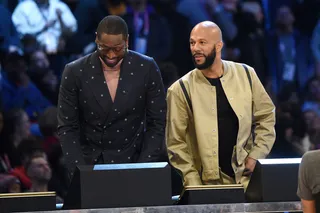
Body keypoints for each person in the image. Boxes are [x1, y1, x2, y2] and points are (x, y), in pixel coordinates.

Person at [166, 21, 276, 189]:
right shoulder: (180, 89)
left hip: (246, 178)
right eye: (192, 42)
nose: (195, 48)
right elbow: (176, 144)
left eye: (202, 42)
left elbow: (266, 115)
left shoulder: (246, 74)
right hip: (205, 184)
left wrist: (256, 155)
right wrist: (194, 185)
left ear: (218, 46)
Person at [58, 15, 166, 177]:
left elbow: (157, 123)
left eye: (117, 49)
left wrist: (144, 167)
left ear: (127, 41)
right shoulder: (74, 72)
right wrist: (78, 173)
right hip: (89, 165)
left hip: (135, 162)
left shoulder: (146, 67)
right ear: (96, 39)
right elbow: (67, 127)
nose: (110, 55)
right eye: (104, 48)